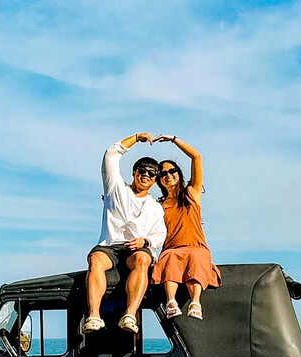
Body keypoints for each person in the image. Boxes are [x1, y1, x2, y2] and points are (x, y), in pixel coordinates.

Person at [84, 133, 167, 334]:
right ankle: (94, 316)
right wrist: (136, 138)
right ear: (134, 172)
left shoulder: (155, 207)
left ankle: (129, 315)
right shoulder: (115, 188)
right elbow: (111, 154)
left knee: (142, 260)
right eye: (142, 170)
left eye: (151, 173)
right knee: (95, 260)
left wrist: (144, 241)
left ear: (155, 180)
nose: (146, 175)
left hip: (136, 250)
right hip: (110, 245)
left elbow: (159, 234)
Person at [150, 135, 221, 320]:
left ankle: (195, 302)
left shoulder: (191, 194)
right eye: (162, 174)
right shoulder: (159, 206)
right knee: (169, 258)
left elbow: (196, 157)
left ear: (178, 173)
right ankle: (171, 302)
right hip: (172, 248)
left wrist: (174, 140)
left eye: (171, 171)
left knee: (197, 258)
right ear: (159, 180)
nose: (168, 175)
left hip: (196, 245)